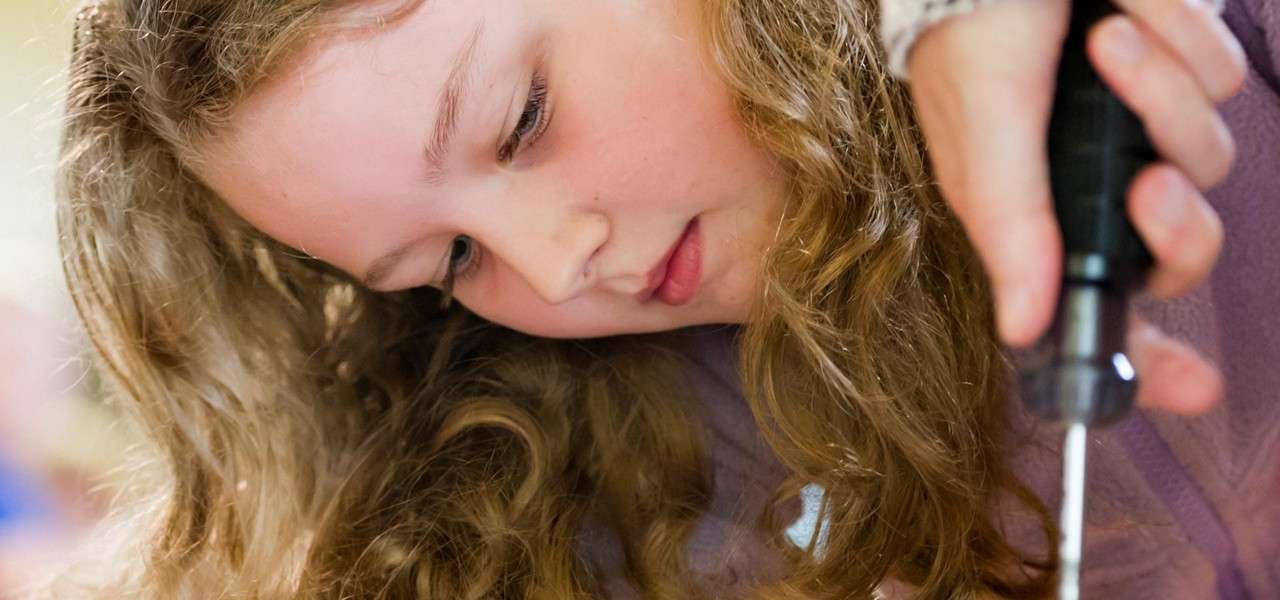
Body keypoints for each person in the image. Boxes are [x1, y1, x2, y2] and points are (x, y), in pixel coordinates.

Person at [46, 0, 1270, 598]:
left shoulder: (1179, 38)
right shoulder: (640, 511)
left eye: (523, 121)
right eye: (448, 265)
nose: (554, 262)